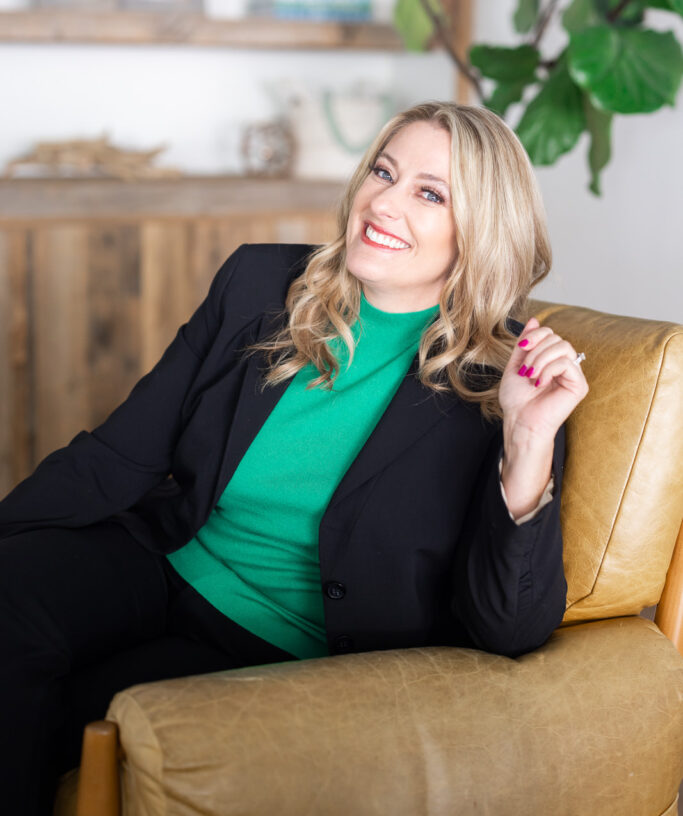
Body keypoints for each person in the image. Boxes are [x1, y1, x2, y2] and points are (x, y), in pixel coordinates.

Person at [0, 101, 588, 814]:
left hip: (276, 641)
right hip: (164, 560)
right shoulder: (259, 285)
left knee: (76, 713)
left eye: (428, 194)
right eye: (383, 171)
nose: (383, 201)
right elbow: (119, 454)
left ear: (480, 232)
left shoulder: (499, 380)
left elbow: (509, 629)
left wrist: (528, 444)